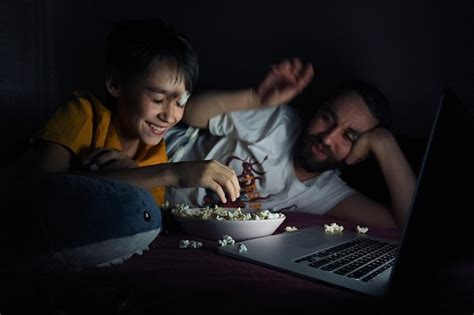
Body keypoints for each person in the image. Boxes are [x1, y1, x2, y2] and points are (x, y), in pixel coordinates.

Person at [2, 18, 241, 272]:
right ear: (115, 83)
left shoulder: (153, 150)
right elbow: (43, 190)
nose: (170, 116)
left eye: (180, 102)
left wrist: (131, 172)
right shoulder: (83, 113)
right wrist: (173, 173)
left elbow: (142, 218)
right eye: (158, 99)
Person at [165, 58, 416, 229]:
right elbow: (190, 113)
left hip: (169, 218)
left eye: (348, 136)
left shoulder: (325, 192)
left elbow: (403, 222)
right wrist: (257, 98)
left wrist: (385, 143)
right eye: (327, 118)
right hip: (155, 159)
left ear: (359, 153)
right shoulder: (277, 122)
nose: (328, 137)